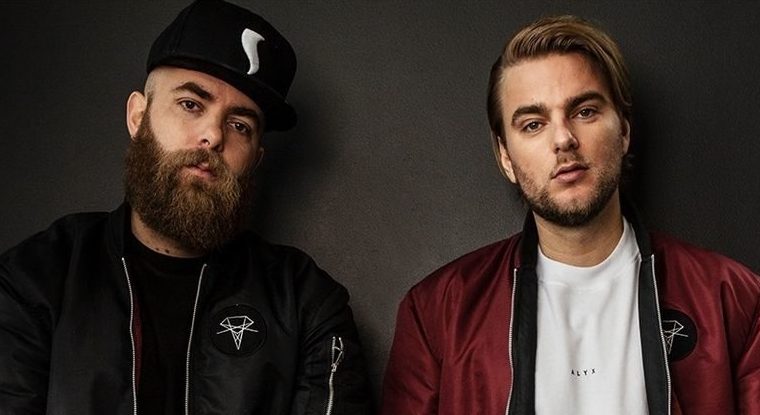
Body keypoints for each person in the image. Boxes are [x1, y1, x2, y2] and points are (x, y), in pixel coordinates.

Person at [0, 1, 371, 414]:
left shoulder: (306, 302)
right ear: (138, 116)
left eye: (240, 125)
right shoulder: (35, 279)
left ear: (255, 160)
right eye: (191, 104)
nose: (213, 135)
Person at [381, 15, 760, 414]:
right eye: (533, 124)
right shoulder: (437, 313)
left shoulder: (734, 299)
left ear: (624, 131)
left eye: (585, 112)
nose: (563, 139)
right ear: (505, 157)